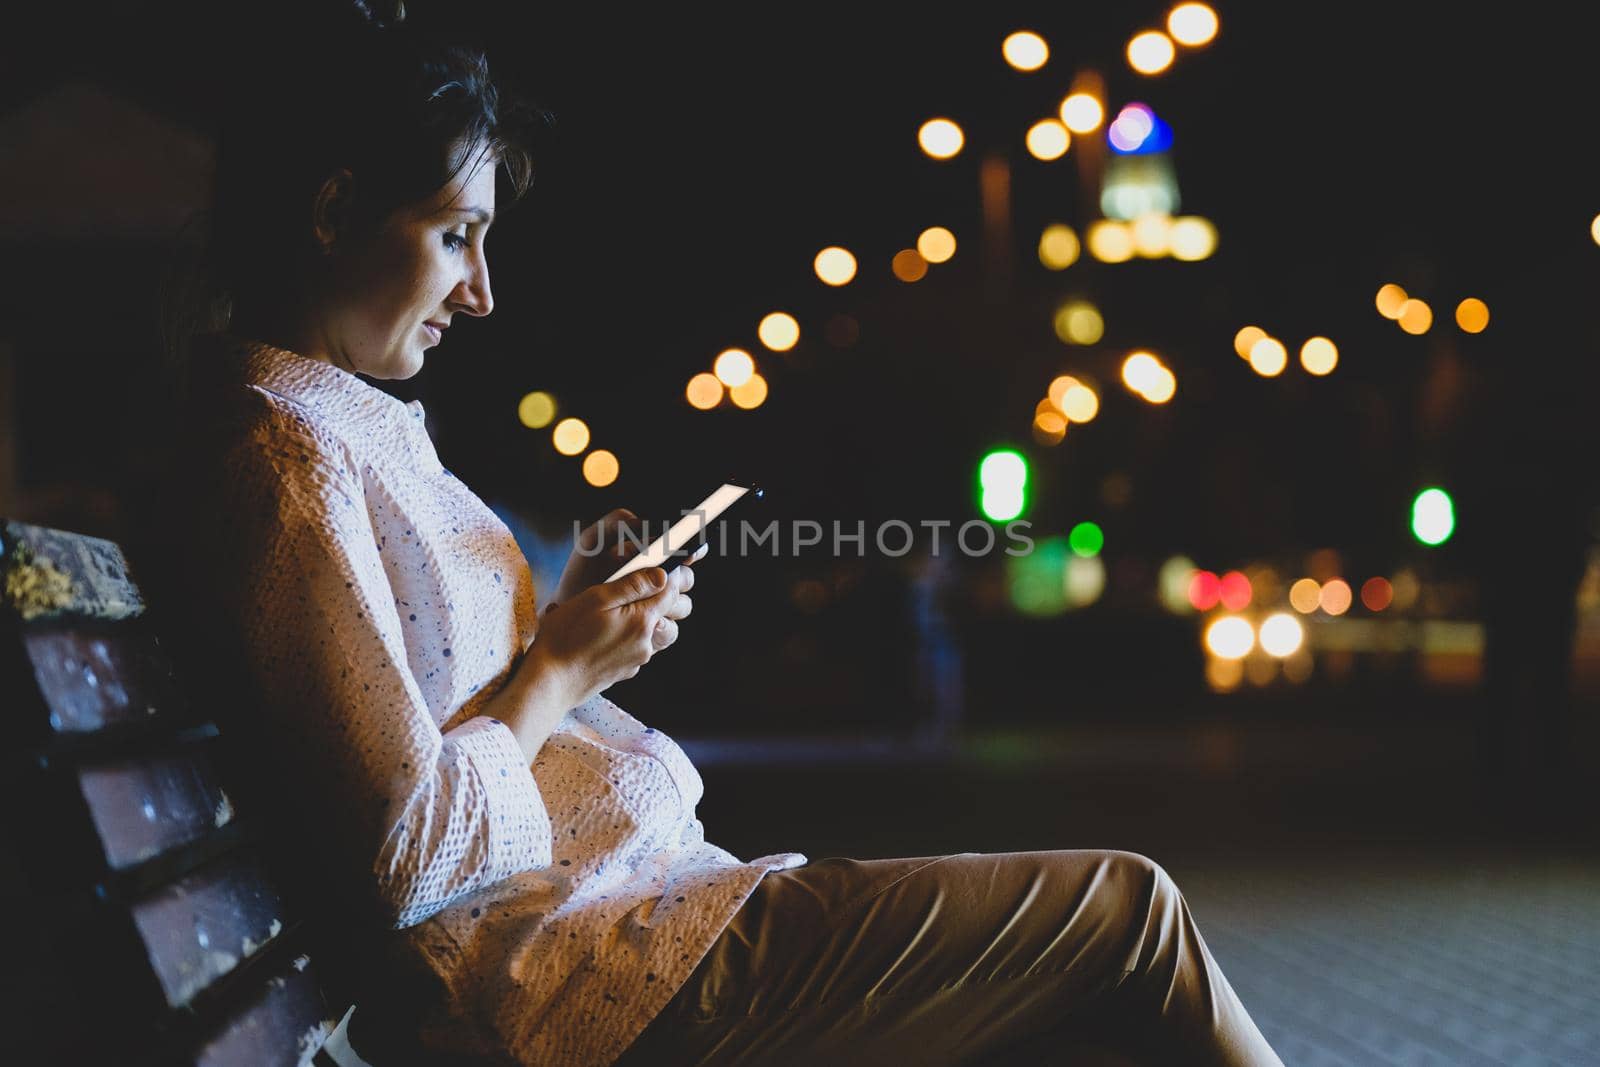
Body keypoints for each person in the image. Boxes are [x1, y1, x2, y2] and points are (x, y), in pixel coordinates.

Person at [161, 5, 1284, 1065]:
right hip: (590, 974)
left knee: (1088, 1027)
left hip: (640, 924)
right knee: (1129, 914)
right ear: (330, 213)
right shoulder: (286, 455)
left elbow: (426, 719)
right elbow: (401, 850)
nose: (483, 291)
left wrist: (566, 632)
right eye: (457, 236)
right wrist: (559, 666)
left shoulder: (332, 429)